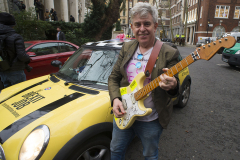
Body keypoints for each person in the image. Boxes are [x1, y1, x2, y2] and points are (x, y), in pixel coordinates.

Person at [108, 2, 180, 160]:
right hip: (124, 112)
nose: (142, 28)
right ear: (132, 27)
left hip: (151, 119)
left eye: (147, 23)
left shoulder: (169, 52)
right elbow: (114, 77)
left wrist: (173, 85)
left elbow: (175, 86)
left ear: (155, 26)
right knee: (115, 150)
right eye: (137, 24)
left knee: (150, 154)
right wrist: (115, 99)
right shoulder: (127, 47)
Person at [0, 13, 30, 88]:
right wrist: (28, 58)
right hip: (16, 70)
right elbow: (22, 55)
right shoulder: (15, 36)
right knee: (21, 93)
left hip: (2, 70)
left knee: (8, 94)